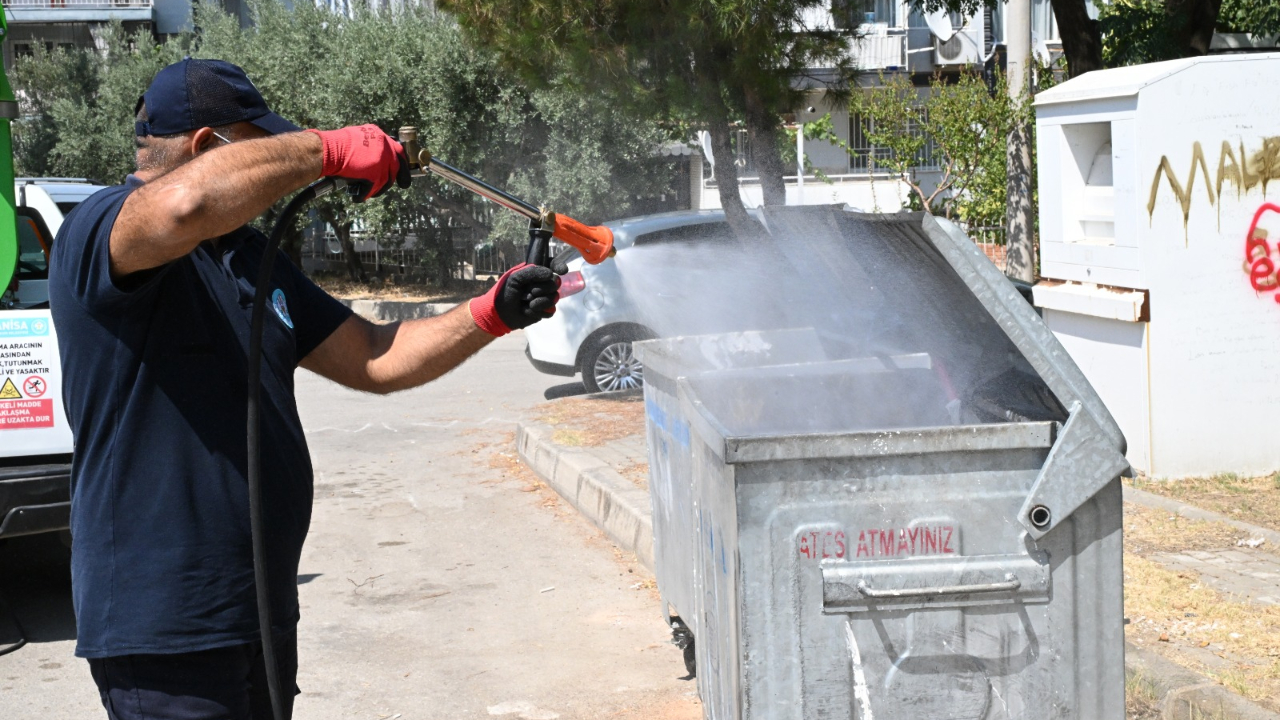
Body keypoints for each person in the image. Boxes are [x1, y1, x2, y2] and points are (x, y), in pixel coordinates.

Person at [47, 58, 561, 720]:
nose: (276, 167)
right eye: (260, 146)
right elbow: (184, 203)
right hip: (166, 630)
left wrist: (492, 312)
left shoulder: (249, 258)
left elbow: (375, 357)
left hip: (257, 613)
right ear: (209, 147)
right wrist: (327, 149)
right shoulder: (98, 232)